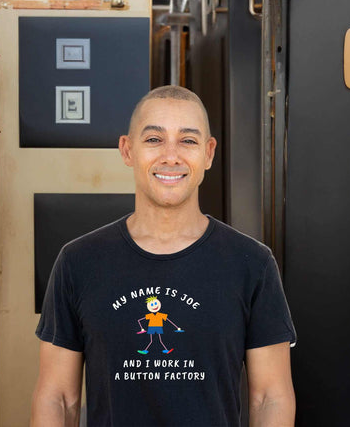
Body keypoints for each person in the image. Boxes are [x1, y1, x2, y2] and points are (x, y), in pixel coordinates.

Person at [31, 85, 296, 427]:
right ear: (127, 150)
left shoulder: (252, 264)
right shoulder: (78, 262)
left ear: (209, 153)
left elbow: (270, 397)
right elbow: (58, 398)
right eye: (154, 139)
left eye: (188, 141)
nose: (171, 156)